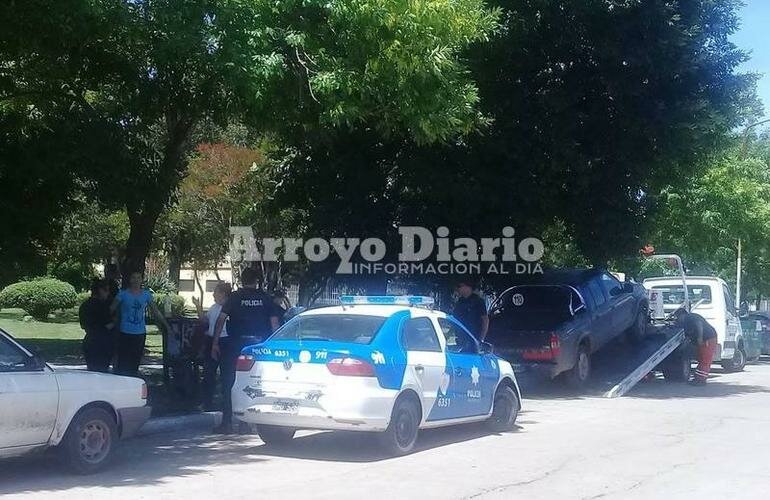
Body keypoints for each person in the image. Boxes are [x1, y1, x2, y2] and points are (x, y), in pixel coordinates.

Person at [211, 268, 280, 433]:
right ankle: (245, 423)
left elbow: (221, 320)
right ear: (256, 281)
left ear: (242, 280)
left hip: (235, 346)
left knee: (229, 382)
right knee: (253, 382)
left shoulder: (235, 297)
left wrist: (215, 343)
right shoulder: (265, 298)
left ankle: (227, 422)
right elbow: (275, 324)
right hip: (258, 348)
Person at [112, 270, 171, 377]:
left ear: (141, 280)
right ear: (130, 280)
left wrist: (166, 325)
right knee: (123, 361)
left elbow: (155, 311)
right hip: (124, 332)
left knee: (135, 362)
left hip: (139, 333)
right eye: (133, 277)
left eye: (138, 278)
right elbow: (111, 309)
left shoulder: (146, 295)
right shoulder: (122, 294)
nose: (136, 280)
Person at [196, 282, 232, 411]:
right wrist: (198, 307)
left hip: (225, 342)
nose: (213, 294)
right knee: (208, 373)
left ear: (222, 293)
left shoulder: (230, 308)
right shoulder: (214, 307)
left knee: (226, 374)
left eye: (215, 292)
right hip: (211, 340)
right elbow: (205, 321)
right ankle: (207, 402)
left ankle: (226, 402)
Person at [78, 279, 115, 372]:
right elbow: (108, 325)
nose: (108, 293)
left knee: (91, 371)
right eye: (106, 290)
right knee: (102, 372)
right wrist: (117, 320)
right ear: (100, 290)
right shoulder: (103, 307)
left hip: (89, 341)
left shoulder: (84, 305)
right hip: (102, 344)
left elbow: (83, 325)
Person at [674, 309, 717, 385]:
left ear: (682, 314)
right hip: (704, 340)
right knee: (701, 359)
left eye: (678, 317)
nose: (678, 319)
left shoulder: (690, 317)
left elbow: (699, 324)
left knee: (705, 359)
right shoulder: (686, 323)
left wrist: (700, 337)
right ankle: (698, 378)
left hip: (708, 338)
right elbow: (688, 336)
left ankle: (701, 380)